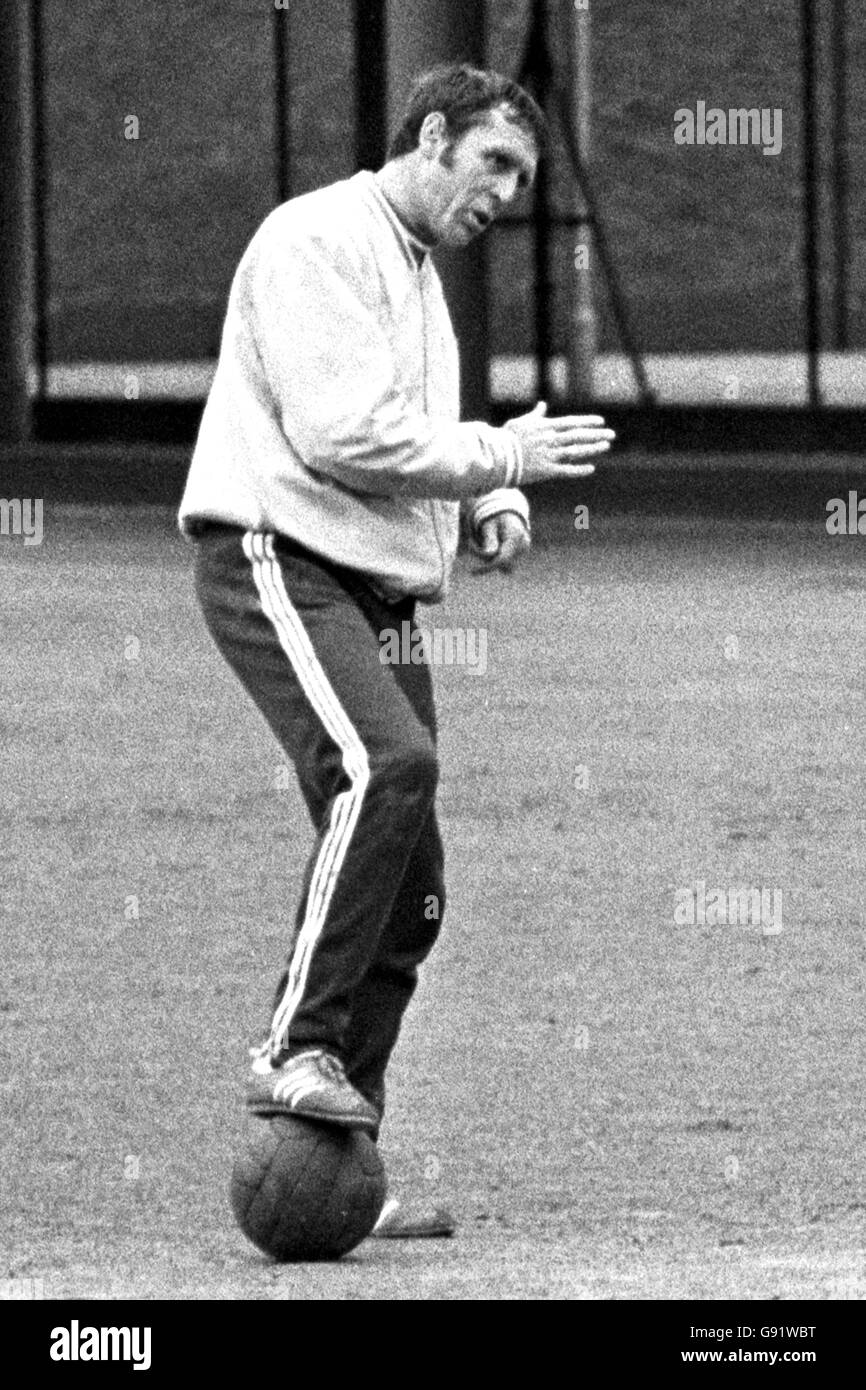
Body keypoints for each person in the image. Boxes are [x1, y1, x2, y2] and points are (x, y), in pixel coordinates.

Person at [179, 63, 614, 1235]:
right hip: (279, 556)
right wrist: (497, 459)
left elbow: (416, 438)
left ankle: (334, 1165)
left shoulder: (416, 275)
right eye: (494, 165)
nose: (506, 195)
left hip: (370, 584)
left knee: (413, 887)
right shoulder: (317, 238)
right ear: (430, 138)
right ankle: (290, 1047)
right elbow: (340, 433)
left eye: (521, 176)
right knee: (385, 768)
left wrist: (483, 504)